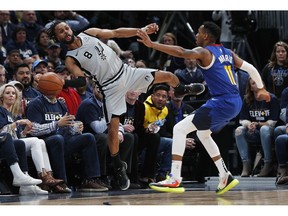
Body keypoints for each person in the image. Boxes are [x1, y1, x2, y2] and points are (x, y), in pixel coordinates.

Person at [46, 20, 205, 191]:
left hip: (126, 72)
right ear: (57, 37)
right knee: (113, 130)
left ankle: (181, 90)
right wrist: (64, 83)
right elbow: (81, 80)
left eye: (66, 28)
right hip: (109, 87)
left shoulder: (89, 33)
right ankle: (117, 166)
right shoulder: (71, 59)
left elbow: (116, 32)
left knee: (168, 76)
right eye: (61, 32)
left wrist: (141, 30)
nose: (66, 32)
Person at [137, 21, 271, 194]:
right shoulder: (227, 52)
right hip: (234, 102)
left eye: (199, 33)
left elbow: (182, 52)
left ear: (206, 36)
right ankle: (224, 175)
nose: (196, 36)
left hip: (222, 102)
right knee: (203, 134)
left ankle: (175, 178)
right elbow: (251, 68)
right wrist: (260, 88)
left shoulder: (204, 52)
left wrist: (152, 44)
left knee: (179, 129)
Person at [235, 77, 280, 177]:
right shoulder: (247, 100)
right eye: (253, 83)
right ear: (250, 87)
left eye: (258, 82)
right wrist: (249, 125)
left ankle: (268, 163)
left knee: (264, 129)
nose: (257, 84)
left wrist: (258, 124)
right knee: (238, 130)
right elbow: (242, 119)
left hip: (268, 130)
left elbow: (273, 121)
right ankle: (246, 164)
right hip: (253, 130)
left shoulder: (271, 98)